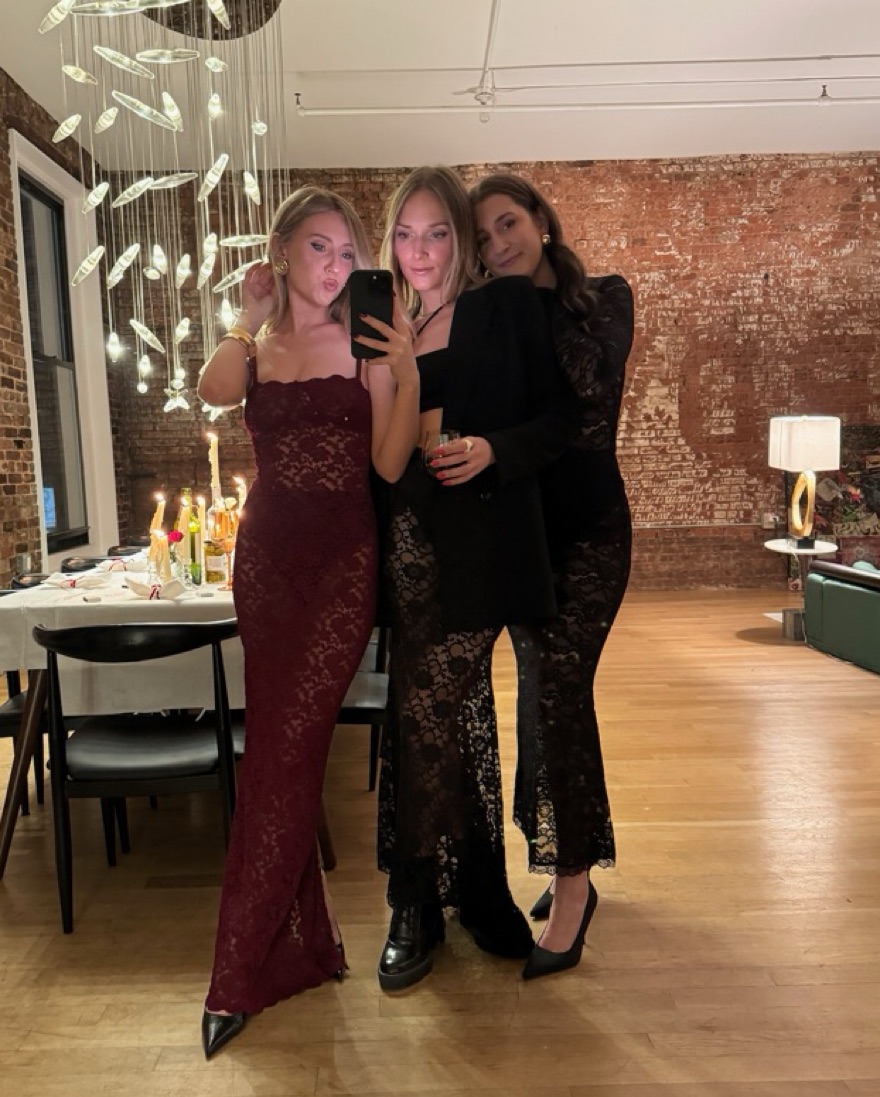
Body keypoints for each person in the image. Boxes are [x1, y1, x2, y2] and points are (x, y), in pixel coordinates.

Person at [197, 185, 419, 1056]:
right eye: (319, 247)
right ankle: (306, 944)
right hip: (266, 566)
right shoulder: (255, 347)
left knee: (285, 756)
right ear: (282, 249)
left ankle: (236, 972)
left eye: (346, 253)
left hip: (341, 569)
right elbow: (213, 387)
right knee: (275, 752)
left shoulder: (364, 341)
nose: (334, 265)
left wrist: (406, 371)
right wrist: (248, 316)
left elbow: (389, 463)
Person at [372, 165, 577, 990]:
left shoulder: (504, 306)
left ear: (460, 239)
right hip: (405, 544)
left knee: (428, 716)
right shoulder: (388, 320)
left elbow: (562, 419)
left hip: (479, 544)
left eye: (437, 233)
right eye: (405, 234)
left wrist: (494, 449)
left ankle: (412, 898)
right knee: (441, 719)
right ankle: (472, 888)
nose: (420, 251)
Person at [470, 173, 634, 979]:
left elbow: (587, 390)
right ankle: (569, 862)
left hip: (592, 534)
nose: (497, 243)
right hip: (526, 538)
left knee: (559, 697)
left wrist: (527, 299)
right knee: (540, 699)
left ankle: (572, 887)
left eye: (508, 223)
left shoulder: (603, 298)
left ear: (540, 218)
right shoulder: (493, 313)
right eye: (483, 237)